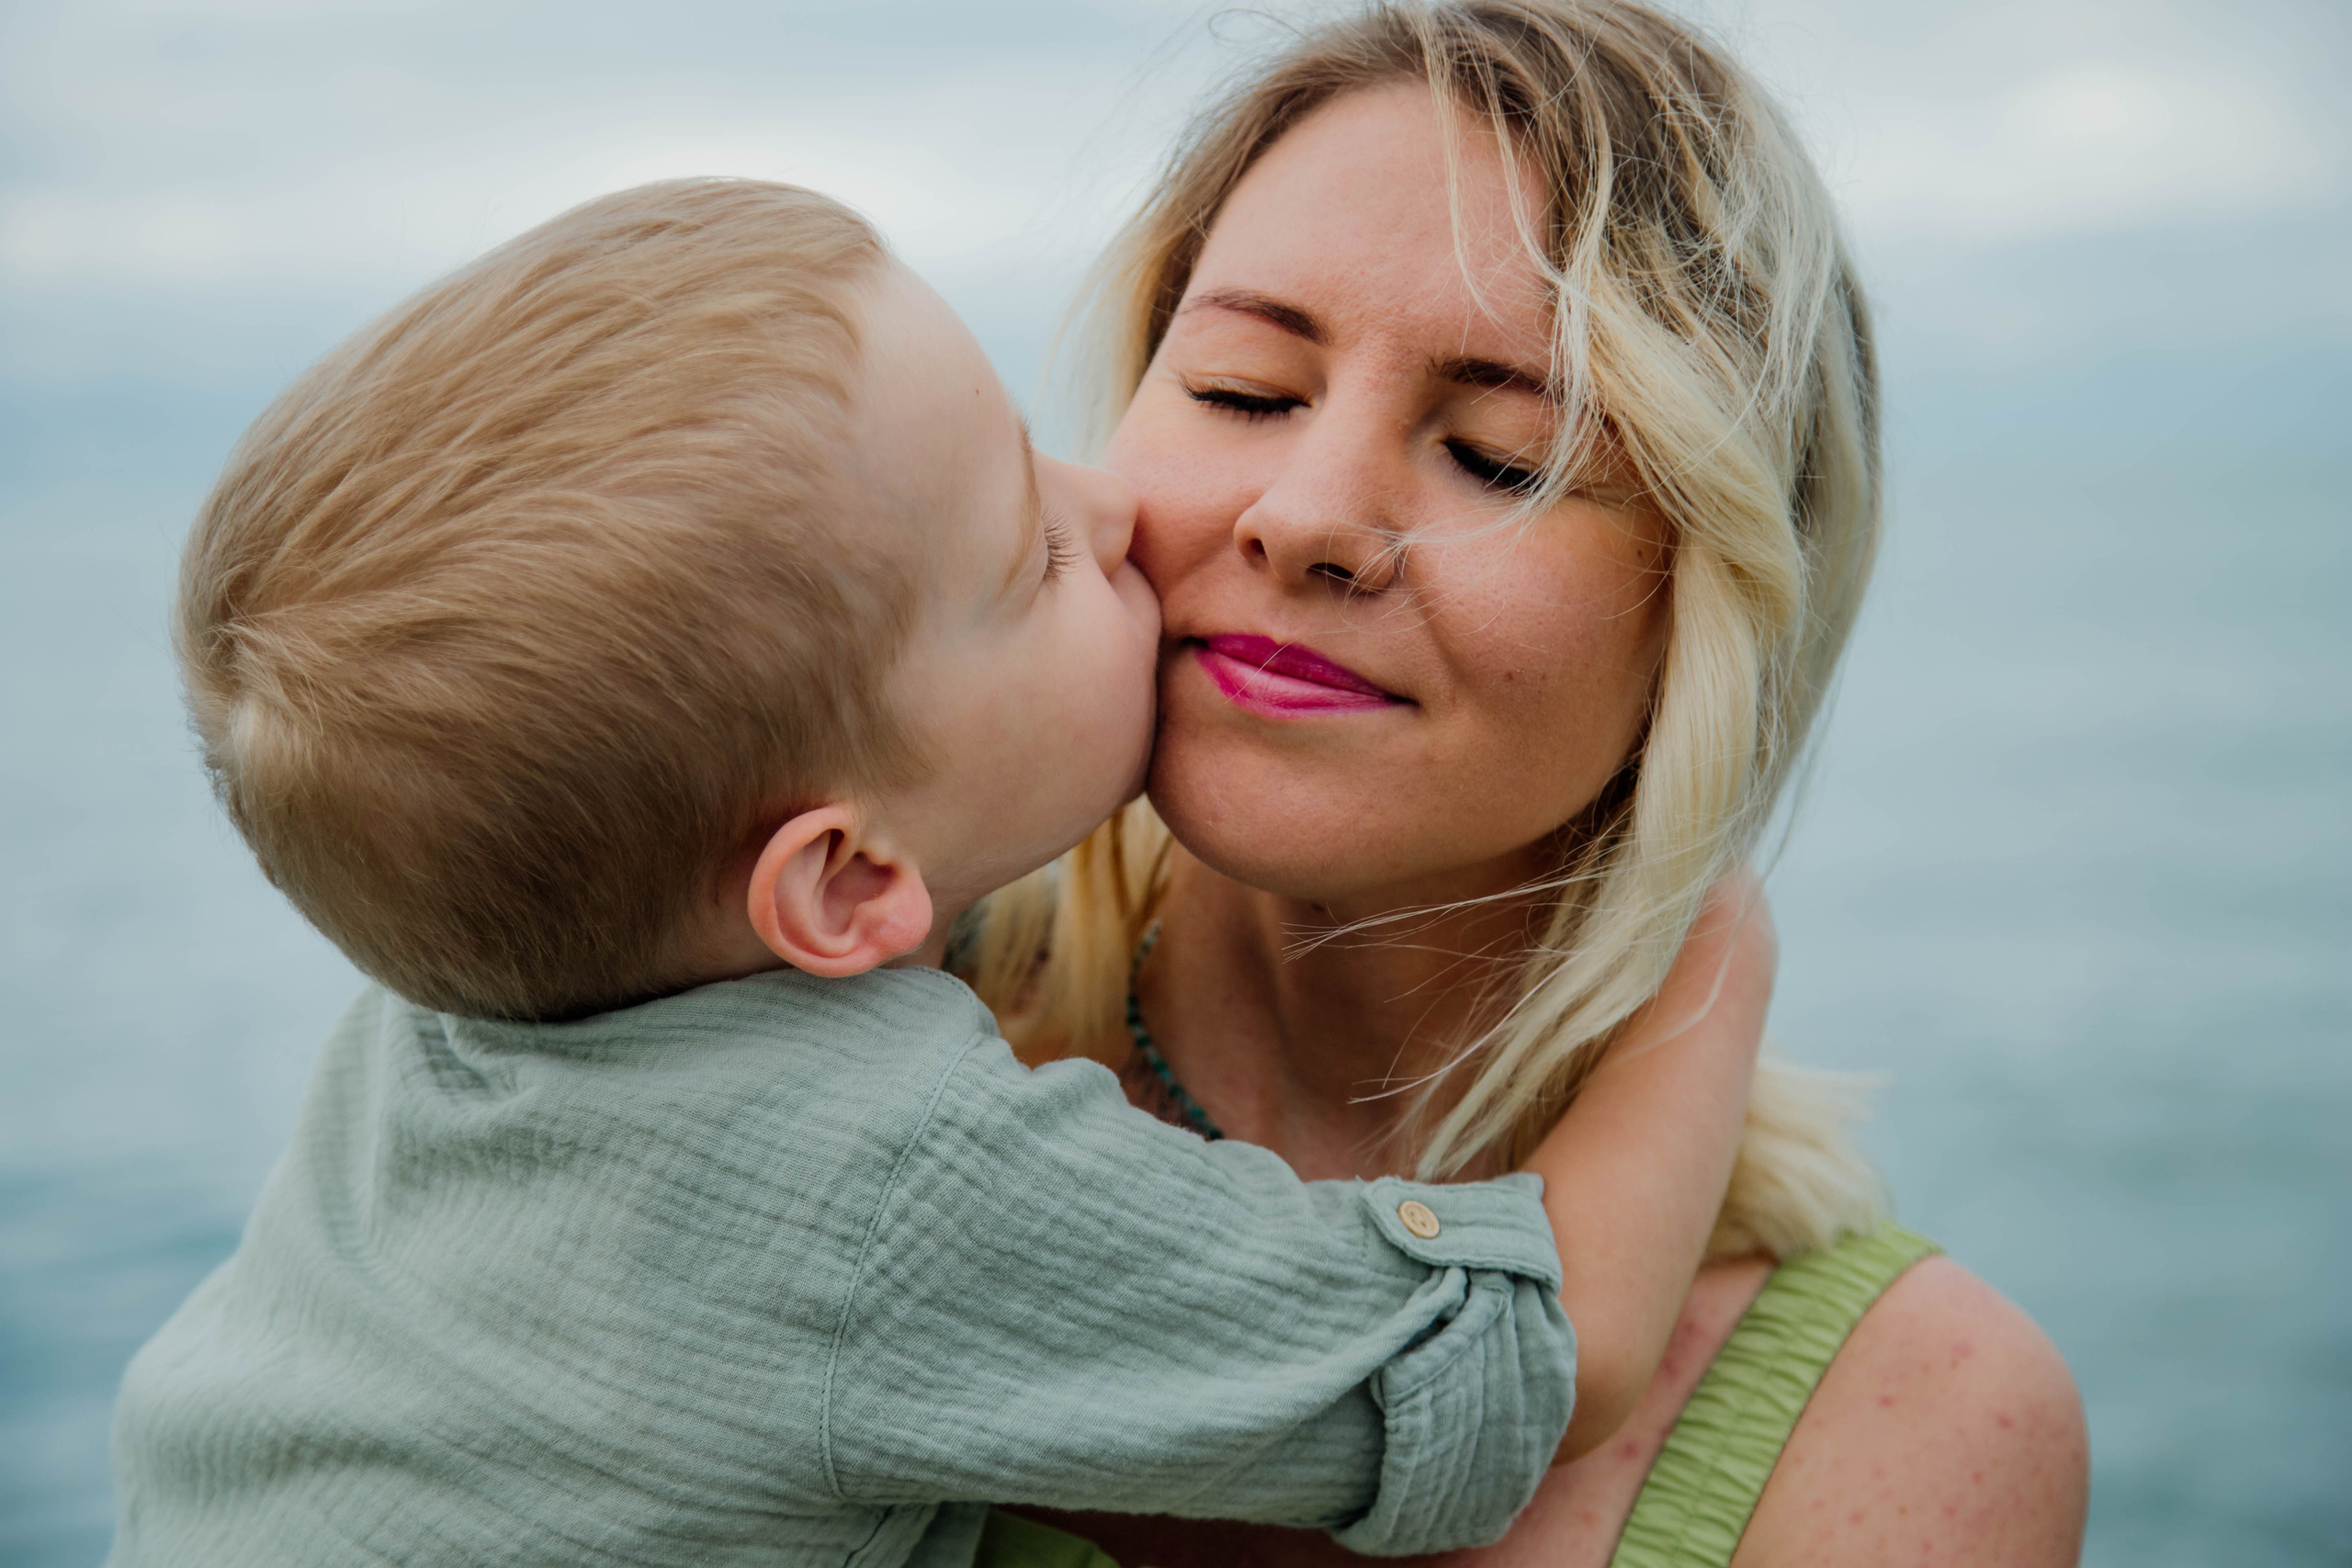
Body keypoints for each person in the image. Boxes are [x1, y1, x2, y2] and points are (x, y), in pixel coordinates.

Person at [110, 177, 1777, 1568]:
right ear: (840, 887)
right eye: (1030, 559)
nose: (1108, 507)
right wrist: (1713, 954)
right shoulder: (894, 1193)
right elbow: (1528, 1365)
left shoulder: (441, 1029)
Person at [967, 4, 2092, 1564]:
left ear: (1710, 610)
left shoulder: (1926, 1422)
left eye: (1504, 456)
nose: (1308, 515)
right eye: (1242, 387)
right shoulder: (796, 1023)